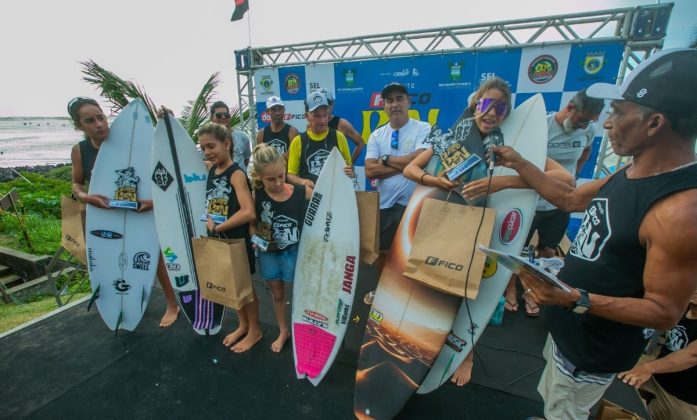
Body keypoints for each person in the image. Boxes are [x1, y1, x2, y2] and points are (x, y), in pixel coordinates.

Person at [490, 49, 697, 420]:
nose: (605, 124)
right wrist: (518, 161)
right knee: (555, 401)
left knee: (567, 411)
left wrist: (576, 298)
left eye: (617, 113)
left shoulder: (681, 210)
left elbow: (665, 312)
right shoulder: (631, 172)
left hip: (590, 352)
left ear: (655, 123)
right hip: (567, 334)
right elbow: (569, 198)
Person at [404, 76, 574, 387]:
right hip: (442, 222)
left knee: (471, 293)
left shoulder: (509, 142)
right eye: (486, 104)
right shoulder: (451, 136)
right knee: (433, 289)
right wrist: (436, 181)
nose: (492, 113)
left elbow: (564, 181)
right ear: (475, 104)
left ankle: (465, 355)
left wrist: (505, 181)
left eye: (501, 108)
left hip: (483, 229)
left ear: (507, 114)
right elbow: (411, 169)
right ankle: (427, 348)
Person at [68, 97, 180, 328]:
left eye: (101, 117)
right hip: (106, 212)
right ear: (79, 126)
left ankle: (172, 304)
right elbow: (76, 184)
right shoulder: (80, 151)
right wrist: (86, 197)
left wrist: (154, 203)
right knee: (111, 258)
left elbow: (167, 176)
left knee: (154, 256)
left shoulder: (135, 141)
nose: (99, 124)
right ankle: (125, 300)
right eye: (90, 121)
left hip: (143, 210)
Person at [504, 90, 605, 318]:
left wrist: (575, 173)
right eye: (582, 119)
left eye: (589, 121)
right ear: (570, 108)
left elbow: (586, 149)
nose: (584, 125)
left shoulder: (589, 129)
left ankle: (532, 292)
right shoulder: (543, 126)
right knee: (514, 249)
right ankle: (510, 288)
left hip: (560, 202)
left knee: (548, 250)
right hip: (530, 200)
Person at [198, 122, 261, 353]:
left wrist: (219, 227)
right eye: (203, 147)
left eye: (211, 146)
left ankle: (255, 329)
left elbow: (248, 211)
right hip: (218, 237)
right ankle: (243, 324)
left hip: (235, 238)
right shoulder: (212, 170)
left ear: (227, 143)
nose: (207, 152)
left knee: (246, 287)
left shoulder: (236, 174)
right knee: (232, 285)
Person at [249, 144, 312, 352]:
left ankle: (305, 331)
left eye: (281, 176)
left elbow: (327, 203)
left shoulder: (302, 192)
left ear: (285, 167)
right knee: (277, 294)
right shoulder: (256, 194)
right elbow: (252, 223)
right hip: (269, 254)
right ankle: (283, 330)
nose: (277, 183)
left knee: (302, 293)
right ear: (258, 176)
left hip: (296, 252)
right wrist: (255, 239)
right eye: (270, 179)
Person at [364, 82, 430, 266]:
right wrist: (409, 165)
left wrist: (385, 159)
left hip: (413, 204)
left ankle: (408, 295)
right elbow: (370, 170)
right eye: (389, 100)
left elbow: (422, 158)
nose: (395, 104)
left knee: (412, 257)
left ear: (408, 101)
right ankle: (379, 293)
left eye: (400, 99)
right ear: (384, 106)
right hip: (384, 206)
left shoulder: (423, 128)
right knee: (383, 255)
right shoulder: (377, 135)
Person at [618, 288, 697, 420]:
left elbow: (692, 355)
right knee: (616, 392)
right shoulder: (682, 309)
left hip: (683, 398)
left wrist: (648, 368)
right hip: (658, 375)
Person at [286, 91, 354, 188]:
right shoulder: (298, 141)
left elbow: (349, 167)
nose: (322, 120)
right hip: (310, 198)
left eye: (325, 115)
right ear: (306, 116)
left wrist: (350, 171)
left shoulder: (339, 137)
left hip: (334, 194)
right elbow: (290, 175)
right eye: (317, 116)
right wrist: (303, 181)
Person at [317, 87, 365, 163]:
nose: (325, 107)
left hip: (338, 170)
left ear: (333, 104)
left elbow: (360, 143)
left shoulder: (342, 124)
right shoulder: (311, 124)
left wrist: (350, 163)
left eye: (328, 103)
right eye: (322, 104)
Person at [210, 101, 252, 172]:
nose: (223, 117)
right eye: (219, 115)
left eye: (226, 115)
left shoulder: (242, 137)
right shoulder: (207, 140)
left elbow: (246, 160)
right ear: (212, 118)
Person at [255, 96, 298, 162]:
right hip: (268, 172)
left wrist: (268, 157)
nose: (277, 113)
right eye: (273, 110)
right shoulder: (261, 134)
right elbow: (260, 159)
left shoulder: (292, 131)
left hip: (287, 172)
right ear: (267, 112)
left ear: (284, 110)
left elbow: (291, 156)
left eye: (280, 109)